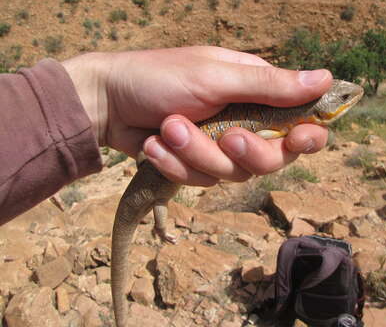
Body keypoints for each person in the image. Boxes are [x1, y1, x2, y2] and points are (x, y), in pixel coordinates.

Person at [0, 46, 332, 225]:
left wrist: (106, 96)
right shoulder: (284, 120)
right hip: (154, 167)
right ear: (316, 113)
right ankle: (158, 210)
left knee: (166, 183)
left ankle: (158, 209)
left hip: (154, 161)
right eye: (342, 99)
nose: (347, 98)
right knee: (162, 184)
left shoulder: (285, 123)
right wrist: (105, 98)